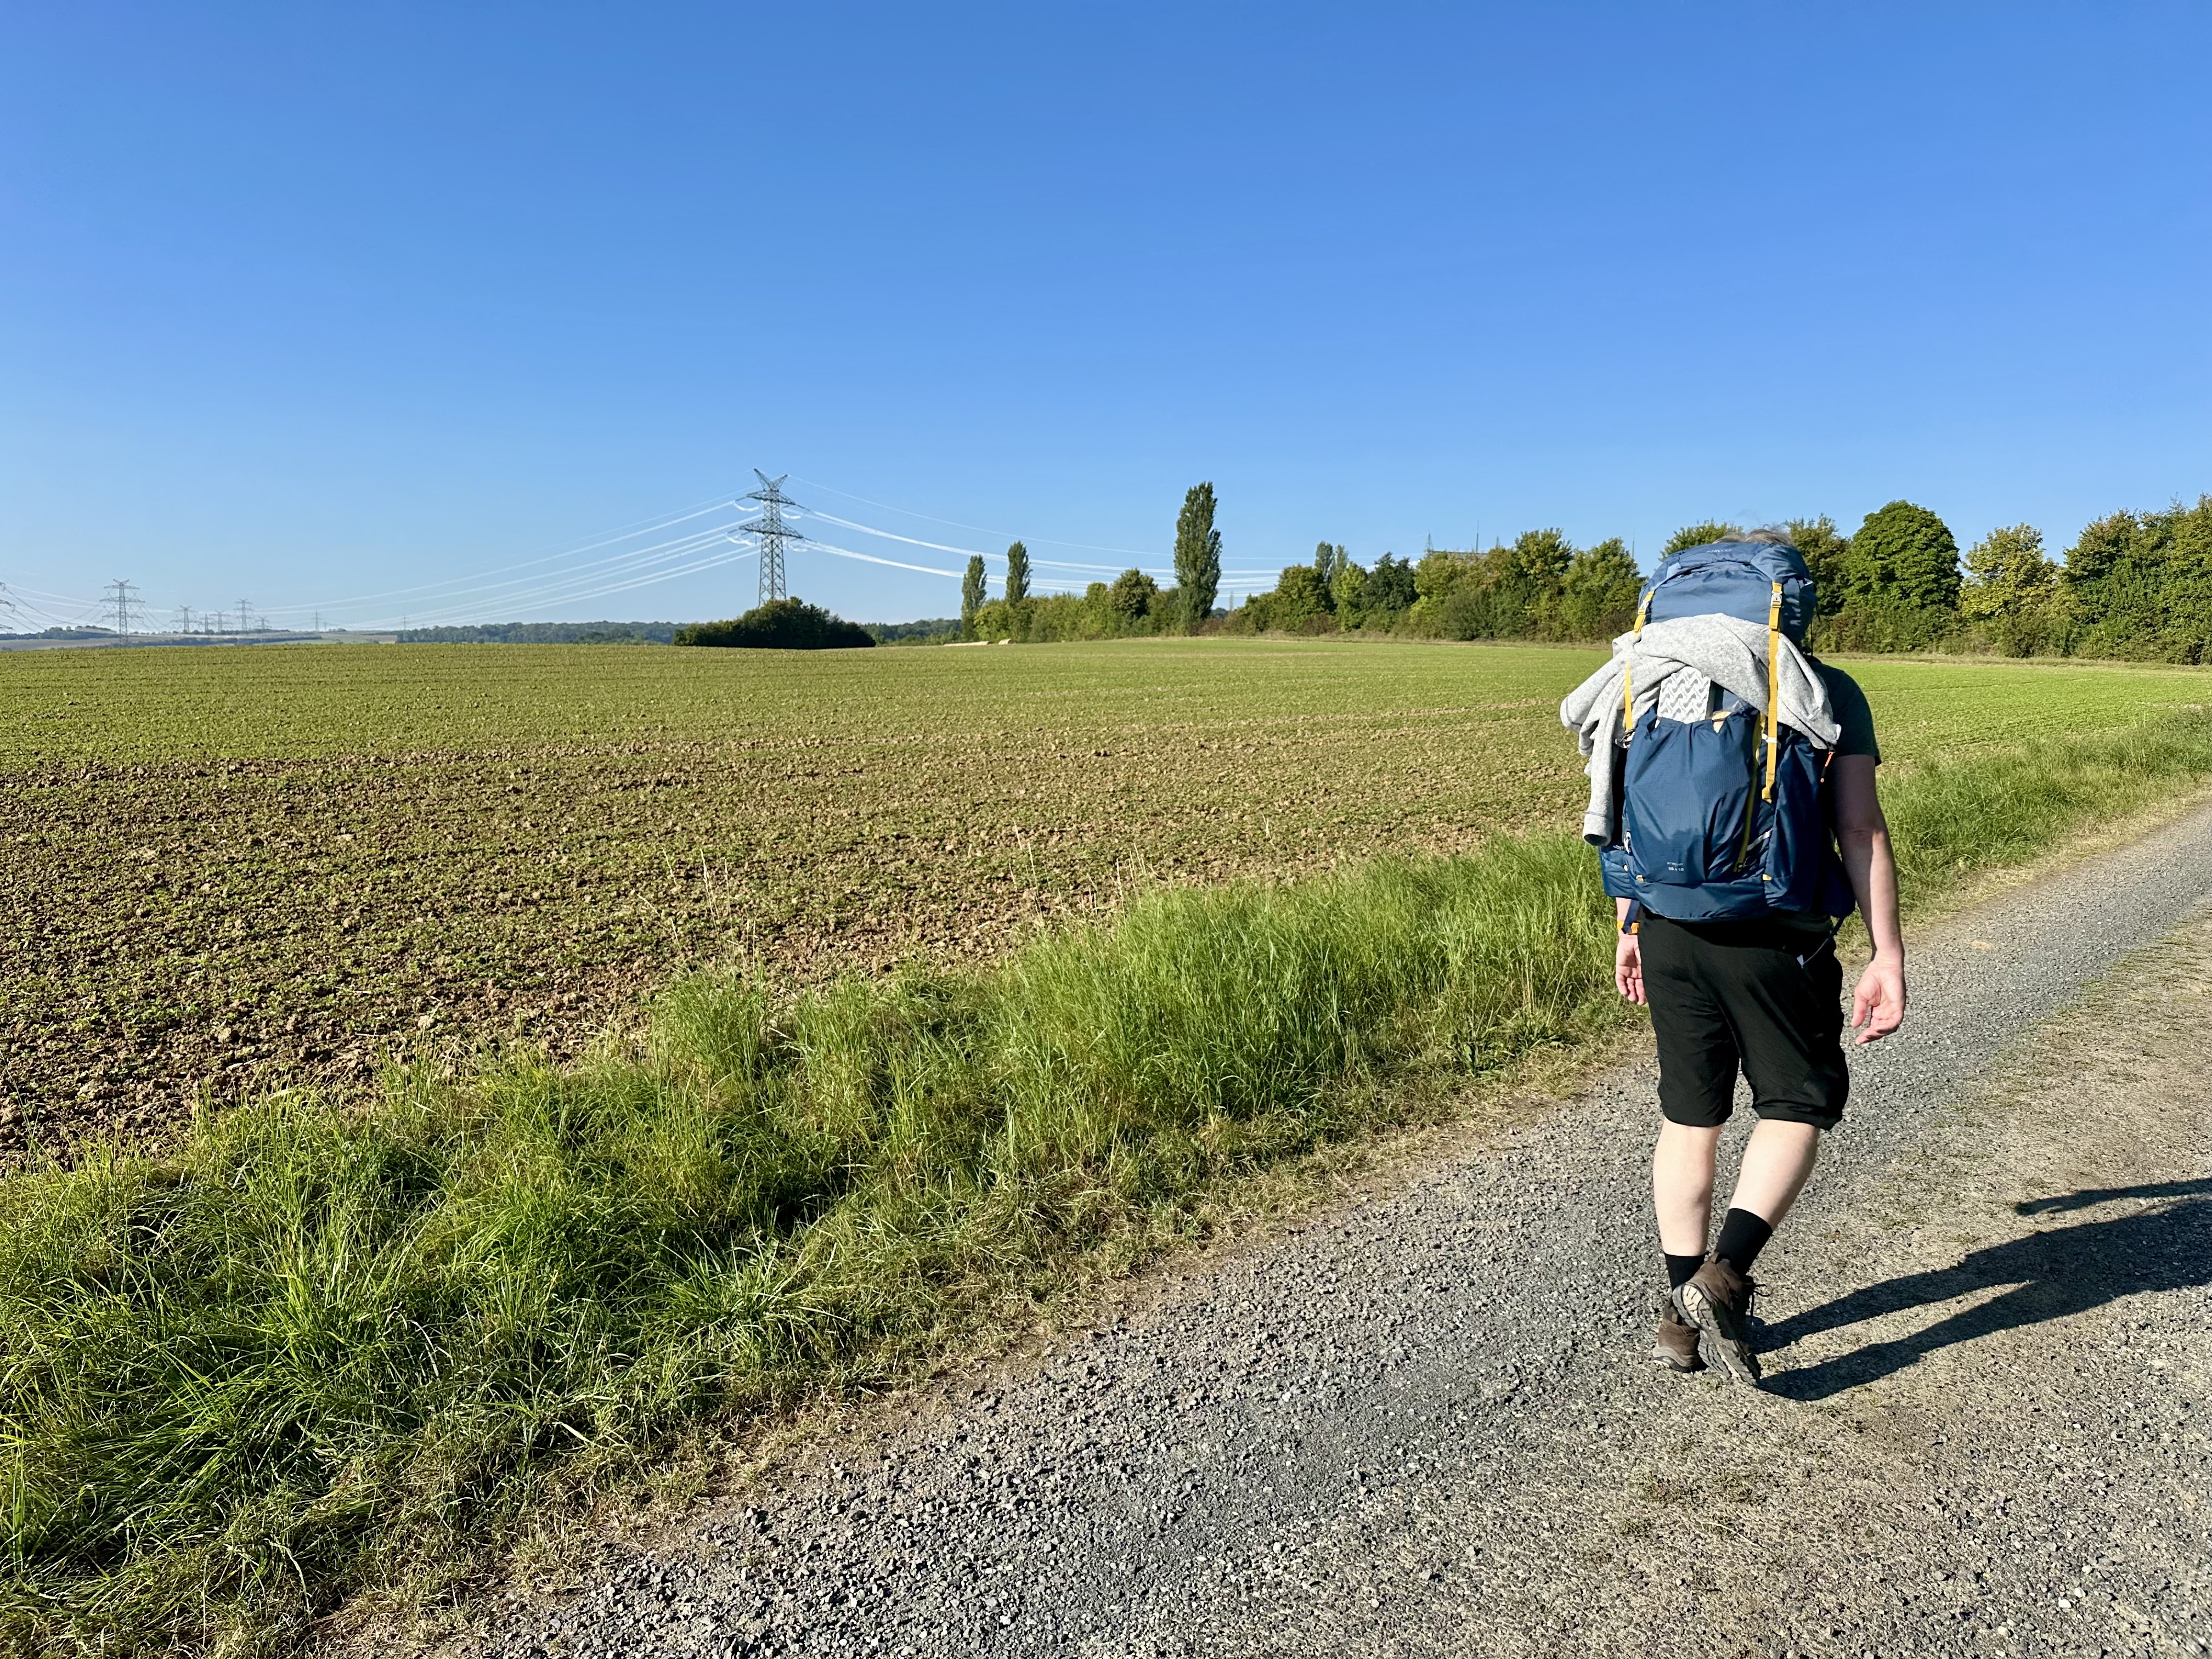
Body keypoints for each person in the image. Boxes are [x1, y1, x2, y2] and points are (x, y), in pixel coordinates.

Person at [1613, 542, 1908, 1385]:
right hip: (1777, 934)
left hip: (1667, 926)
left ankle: (1678, 1307)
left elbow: (1624, 812)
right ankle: (1727, 1272)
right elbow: (1860, 830)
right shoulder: (1821, 687)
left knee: (1689, 1118)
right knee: (1795, 1103)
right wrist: (1887, 952)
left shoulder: (1648, 675)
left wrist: (1629, 924)